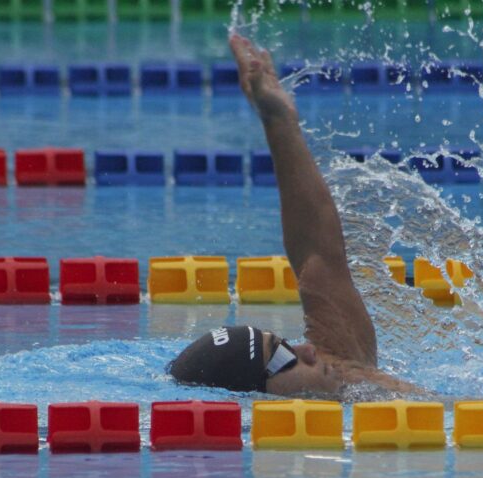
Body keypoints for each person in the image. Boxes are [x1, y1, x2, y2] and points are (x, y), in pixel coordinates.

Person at [168, 34, 418, 399]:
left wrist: (278, 119)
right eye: (283, 359)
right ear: (253, 396)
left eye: (286, 344)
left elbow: (319, 255)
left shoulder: (347, 370)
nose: (307, 349)